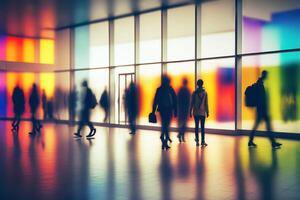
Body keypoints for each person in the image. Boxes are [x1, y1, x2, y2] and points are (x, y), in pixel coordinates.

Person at [248, 70, 282, 148]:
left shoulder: (260, 83)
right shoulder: (260, 83)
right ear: (264, 75)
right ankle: (272, 143)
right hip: (261, 109)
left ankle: (251, 141)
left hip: (261, 109)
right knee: (265, 126)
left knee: (261, 126)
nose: (267, 77)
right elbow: (260, 98)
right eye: (266, 75)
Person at [152, 75, 177, 150]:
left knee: (165, 125)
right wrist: (175, 111)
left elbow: (155, 101)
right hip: (168, 109)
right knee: (166, 125)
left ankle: (163, 138)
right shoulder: (170, 89)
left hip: (163, 110)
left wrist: (153, 111)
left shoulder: (160, 89)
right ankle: (165, 141)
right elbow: (175, 100)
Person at [190, 79, 209, 147]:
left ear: (197, 84)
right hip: (202, 112)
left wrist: (190, 111)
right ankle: (203, 141)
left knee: (196, 126)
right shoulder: (205, 93)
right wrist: (207, 111)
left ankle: (197, 140)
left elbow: (191, 103)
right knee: (202, 127)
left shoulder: (194, 93)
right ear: (202, 84)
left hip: (196, 112)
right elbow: (206, 103)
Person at [177, 78, 191, 143]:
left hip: (180, 108)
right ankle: (182, 135)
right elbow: (189, 100)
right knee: (184, 123)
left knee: (181, 122)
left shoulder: (180, 90)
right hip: (185, 108)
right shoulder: (187, 90)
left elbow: (178, 99)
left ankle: (180, 134)